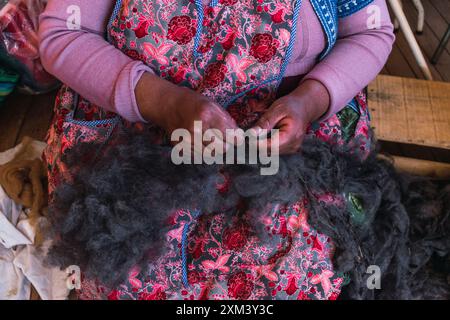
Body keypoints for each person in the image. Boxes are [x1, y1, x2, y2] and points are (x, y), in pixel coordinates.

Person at [39, 0, 394, 299]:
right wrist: (164, 103)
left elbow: (369, 31)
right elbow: (64, 32)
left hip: (287, 147)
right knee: (127, 268)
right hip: (139, 135)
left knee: (297, 268)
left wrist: (311, 100)